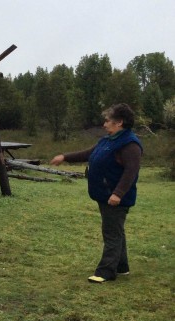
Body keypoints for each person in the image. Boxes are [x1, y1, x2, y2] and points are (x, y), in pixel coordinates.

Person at [50, 103, 142, 283]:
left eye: (107, 121)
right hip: (104, 194)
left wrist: (118, 193)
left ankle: (106, 271)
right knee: (116, 230)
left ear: (119, 122)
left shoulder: (130, 144)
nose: (104, 124)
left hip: (115, 197)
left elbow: (131, 171)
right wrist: (65, 157)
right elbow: (88, 153)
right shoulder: (109, 139)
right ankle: (122, 266)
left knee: (111, 232)